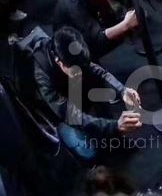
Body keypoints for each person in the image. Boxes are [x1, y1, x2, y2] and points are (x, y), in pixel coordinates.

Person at [33, 26, 141, 162]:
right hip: (55, 112)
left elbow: (98, 71)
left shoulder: (71, 50)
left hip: (70, 92)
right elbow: (69, 115)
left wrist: (122, 90)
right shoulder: (41, 74)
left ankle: (111, 139)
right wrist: (114, 126)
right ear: (59, 63)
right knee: (89, 153)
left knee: (95, 84)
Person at [54, 0, 138, 60]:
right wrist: (126, 25)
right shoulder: (74, 4)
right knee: (119, 31)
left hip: (83, 29)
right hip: (69, 46)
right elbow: (97, 37)